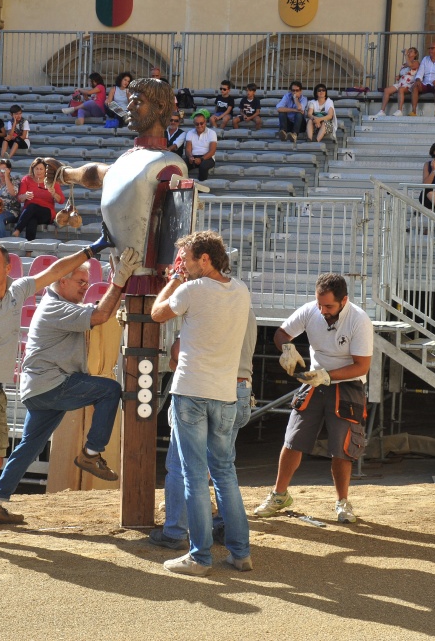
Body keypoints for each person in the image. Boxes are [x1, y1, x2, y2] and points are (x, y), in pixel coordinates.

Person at [0, 238, 124, 544]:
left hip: (0, 388)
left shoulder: (16, 291)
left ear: (8, 268)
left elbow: (54, 270)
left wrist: (92, 249)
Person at [0, 246, 142, 526]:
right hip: (51, 384)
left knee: (28, 449)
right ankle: (91, 453)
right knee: (110, 390)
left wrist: (120, 279)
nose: (85, 287)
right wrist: (120, 280)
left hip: (40, 388)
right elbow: (101, 316)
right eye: (80, 282)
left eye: (88, 282)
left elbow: (100, 310)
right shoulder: (56, 307)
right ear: (62, 282)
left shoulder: (57, 304)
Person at [151, 231, 253, 576]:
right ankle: (240, 553)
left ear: (204, 259)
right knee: (225, 474)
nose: (185, 265)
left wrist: (174, 280)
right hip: (225, 394)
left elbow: (156, 313)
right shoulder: (241, 290)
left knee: (195, 477)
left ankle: (200, 557)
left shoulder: (191, 289)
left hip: (192, 392)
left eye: (188, 259)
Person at [254, 272, 373, 524]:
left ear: (344, 300)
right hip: (313, 382)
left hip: (347, 385)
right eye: (319, 304)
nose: (322, 310)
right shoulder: (311, 310)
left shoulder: (359, 320)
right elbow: (281, 333)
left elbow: (361, 366)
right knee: (293, 439)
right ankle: (279, 495)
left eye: (328, 305)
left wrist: (327, 376)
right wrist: (287, 348)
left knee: (342, 448)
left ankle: (342, 502)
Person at [42, 76, 187, 283]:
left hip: (151, 280)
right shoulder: (132, 157)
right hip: (121, 274)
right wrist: (65, 174)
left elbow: (177, 225)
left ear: (160, 107)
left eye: (137, 102)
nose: (128, 106)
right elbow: (101, 173)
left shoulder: (168, 163)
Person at [149, 305, 257, 553]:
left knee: (183, 467)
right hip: (239, 388)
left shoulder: (201, 302)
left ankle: (176, 531)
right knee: (223, 470)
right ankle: (232, 539)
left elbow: (178, 354)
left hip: (201, 389)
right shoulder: (244, 304)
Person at [12, 157, 66, 240]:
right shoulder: (26, 179)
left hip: (46, 212)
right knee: (31, 221)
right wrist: (25, 196)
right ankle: (29, 250)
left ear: (45, 170)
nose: (39, 171)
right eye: (36, 169)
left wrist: (54, 193)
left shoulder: (52, 182)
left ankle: (18, 230)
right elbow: (19, 198)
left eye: (41, 169)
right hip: (29, 213)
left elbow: (61, 200)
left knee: (32, 206)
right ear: (32, 169)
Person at [370, 47, 420, 119]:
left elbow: (411, 66)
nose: (409, 52)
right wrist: (398, 77)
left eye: (411, 51)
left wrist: (405, 55)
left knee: (400, 89)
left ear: (415, 54)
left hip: (409, 85)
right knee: (387, 90)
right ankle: (382, 111)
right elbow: (402, 74)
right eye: (408, 51)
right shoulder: (404, 64)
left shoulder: (416, 62)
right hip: (401, 83)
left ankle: (399, 110)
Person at [412, 42, 435, 117]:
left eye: (432, 48)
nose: (430, 50)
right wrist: (418, 79)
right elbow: (420, 72)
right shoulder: (425, 59)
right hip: (426, 83)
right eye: (429, 48)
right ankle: (413, 111)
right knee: (415, 86)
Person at [184, 109, 217, 181]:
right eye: (197, 124)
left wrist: (201, 159)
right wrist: (190, 157)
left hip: (207, 157)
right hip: (193, 157)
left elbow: (212, 151)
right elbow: (188, 149)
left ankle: (201, 185)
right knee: (182, 165)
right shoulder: (190, 133)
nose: (199, 126)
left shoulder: (212, 133)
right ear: (194, 124)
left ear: (205, 123)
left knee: (203, 166)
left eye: (201, 123)